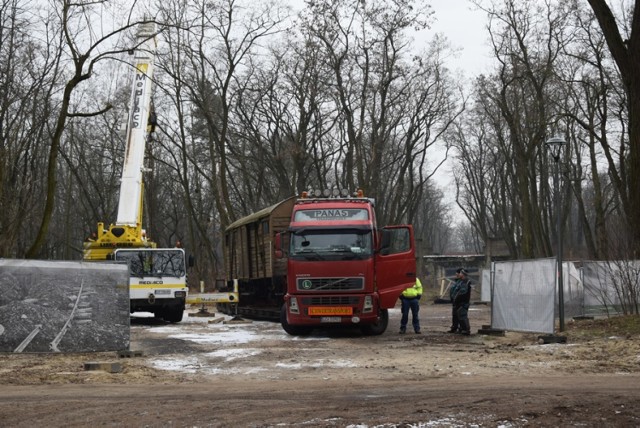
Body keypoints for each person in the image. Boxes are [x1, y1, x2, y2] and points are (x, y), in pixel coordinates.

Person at [449, 268, 472, 335]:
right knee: (458, 316)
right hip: (458, 302)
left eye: (461, 273)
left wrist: (456, 298)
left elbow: (462, 292)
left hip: (463, 302)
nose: (459, 274)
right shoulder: (460, 281)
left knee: (462, 316)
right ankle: (461, 328)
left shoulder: (465, 282)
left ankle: (466, 329)